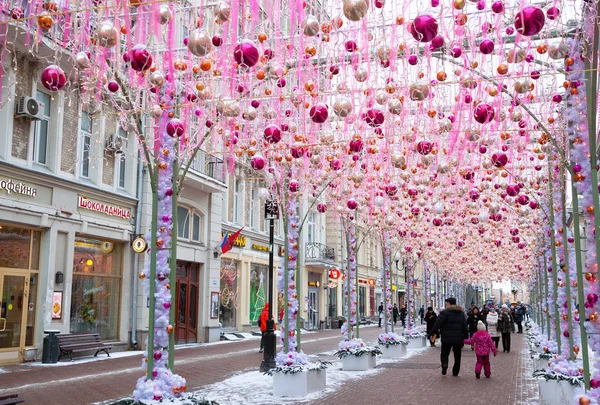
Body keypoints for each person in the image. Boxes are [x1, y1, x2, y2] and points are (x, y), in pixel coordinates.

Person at [432, 297, 468, 376]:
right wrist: (466, 336)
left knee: (444, 353)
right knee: (457, 355)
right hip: (458, 338)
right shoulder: (461, 313)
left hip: (446, 337)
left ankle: (444, 364)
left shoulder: (445, 312)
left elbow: (439, 323)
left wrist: (433, 331)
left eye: (446, 303)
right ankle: (455, 371)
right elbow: (465, 325)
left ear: (448, 303)